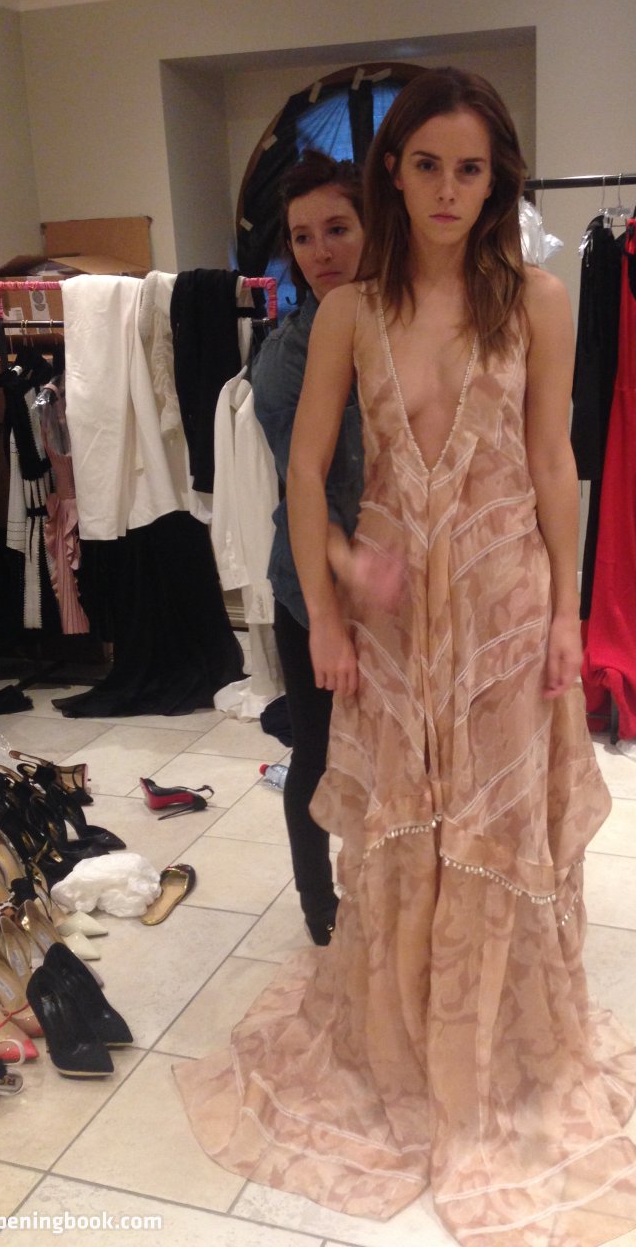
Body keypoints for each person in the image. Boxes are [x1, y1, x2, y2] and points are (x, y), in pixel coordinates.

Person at [177, 69, 636, 1245]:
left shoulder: (539, 300)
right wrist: (331, 607)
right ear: (393, 176)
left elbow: (554, 462)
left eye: (471, 168)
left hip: (506, 601)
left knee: (498, 828)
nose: (449, 190)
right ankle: (405, 1042)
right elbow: (306, 472)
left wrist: (569, 612)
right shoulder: (350, 311)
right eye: (427, 166)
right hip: (397, 619)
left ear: (497, 179)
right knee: (406, 823)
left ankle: (496, 1046)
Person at [251, 150, 366, 944]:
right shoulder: (286, 359)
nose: (320, 251)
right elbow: (306, 489)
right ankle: (319, 908)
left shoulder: (400, 327)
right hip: (313, 583)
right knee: (318, 751)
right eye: (302, 237)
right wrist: (344, 576)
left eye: (338, 229)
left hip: (401, 579)